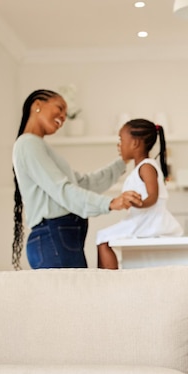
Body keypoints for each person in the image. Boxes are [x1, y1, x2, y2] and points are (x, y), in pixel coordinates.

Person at [12, 89, 142, 270]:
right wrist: (111, 203)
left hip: (59, 240)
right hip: (53, 239)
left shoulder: (37, 146)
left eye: (65, 114)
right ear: (37, 105)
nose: (63, 117)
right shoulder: (28, 144)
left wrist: (123, 161)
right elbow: (62, 190)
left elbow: (85, 184)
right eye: (59, 108)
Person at [96, 119, 183, 269]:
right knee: (103, 238)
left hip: (148, 221)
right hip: (142, 219)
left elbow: (153, 196)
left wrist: (139, 203)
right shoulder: (142, 167)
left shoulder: (146, 167)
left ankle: (108, 282)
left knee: (103, 238)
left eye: (121, 140)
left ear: (135, 143)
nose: (119, 145)